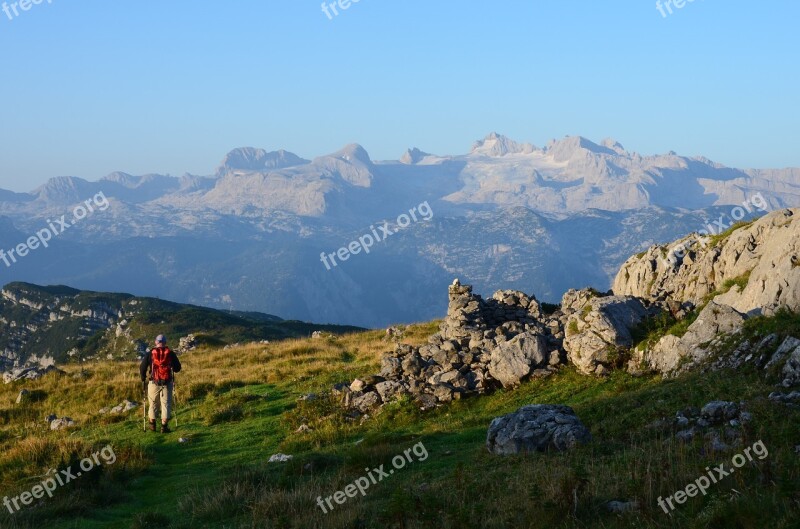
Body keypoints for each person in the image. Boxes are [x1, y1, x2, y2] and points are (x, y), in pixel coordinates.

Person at [139, 334, 182, 433]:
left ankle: (152, 426)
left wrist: (143, 378)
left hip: (153, 382)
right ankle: (164, 427)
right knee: (165, 404)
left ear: (156, 342)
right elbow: (178, 368)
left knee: (153, 404)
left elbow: (142, 367)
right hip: (167, 383)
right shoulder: (170, 353)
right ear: (165, 342)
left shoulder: (150, 354)